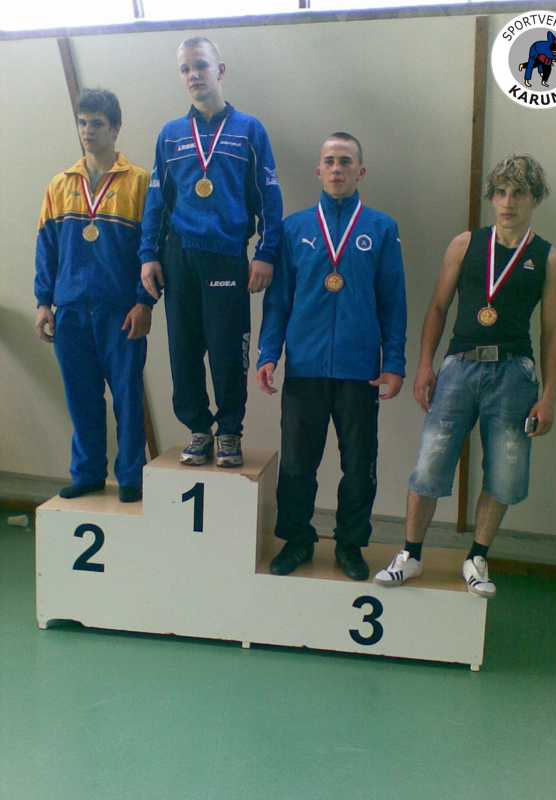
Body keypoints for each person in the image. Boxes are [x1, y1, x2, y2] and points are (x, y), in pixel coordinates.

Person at [375, 154, 556, 597]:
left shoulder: (550, 259)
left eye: (519, 193)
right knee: (430, 463)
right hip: (459, 367)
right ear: (491, 198)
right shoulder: (465, 244)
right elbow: (438, 307)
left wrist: (549, 397)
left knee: (505, 471)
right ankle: (410, 553)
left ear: (535, 198)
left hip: (515, 374)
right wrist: (425, 365)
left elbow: (553, 333)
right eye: (500, 192)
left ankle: (478, 556)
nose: (508, 202)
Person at [257, 132, 407, 581]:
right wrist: (269, 352)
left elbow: (393, 302)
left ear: (361, 171)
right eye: (330, 161)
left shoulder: (381, 228)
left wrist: (394, 362)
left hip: (360, 371)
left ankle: (350, 544)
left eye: (345, 161)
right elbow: (278, 300)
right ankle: (297, 540)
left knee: (359, 465)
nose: (337, 169)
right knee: (297, 465)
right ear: (318, 171)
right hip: (305, 366)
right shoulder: (295, 229)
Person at [139, 36, 283, 468]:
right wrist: (148, 254)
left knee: (226, 350)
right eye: (185, 69)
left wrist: (266, 252)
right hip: (178, 256)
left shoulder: (250, 130)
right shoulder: (170, 135)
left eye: (200, 65)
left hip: (226, 255)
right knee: (183, 351)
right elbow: (156, 201)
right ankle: (198, 429)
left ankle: (230, 431)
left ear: (220, 70)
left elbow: (268, 198)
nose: (193, 75)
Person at [34, 88, 152, 503]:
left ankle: (132, 476)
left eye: (97, 123)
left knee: (127, 397)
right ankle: (87, 473)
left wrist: (144, 302)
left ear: (115, 128)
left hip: (119, 309)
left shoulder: (140, 182)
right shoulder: (60, 184)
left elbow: (151, 250)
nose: (87, 131)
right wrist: (43, 302)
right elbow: (46, 247)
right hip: (69, 309)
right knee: (81, 396)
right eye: (82, 123)